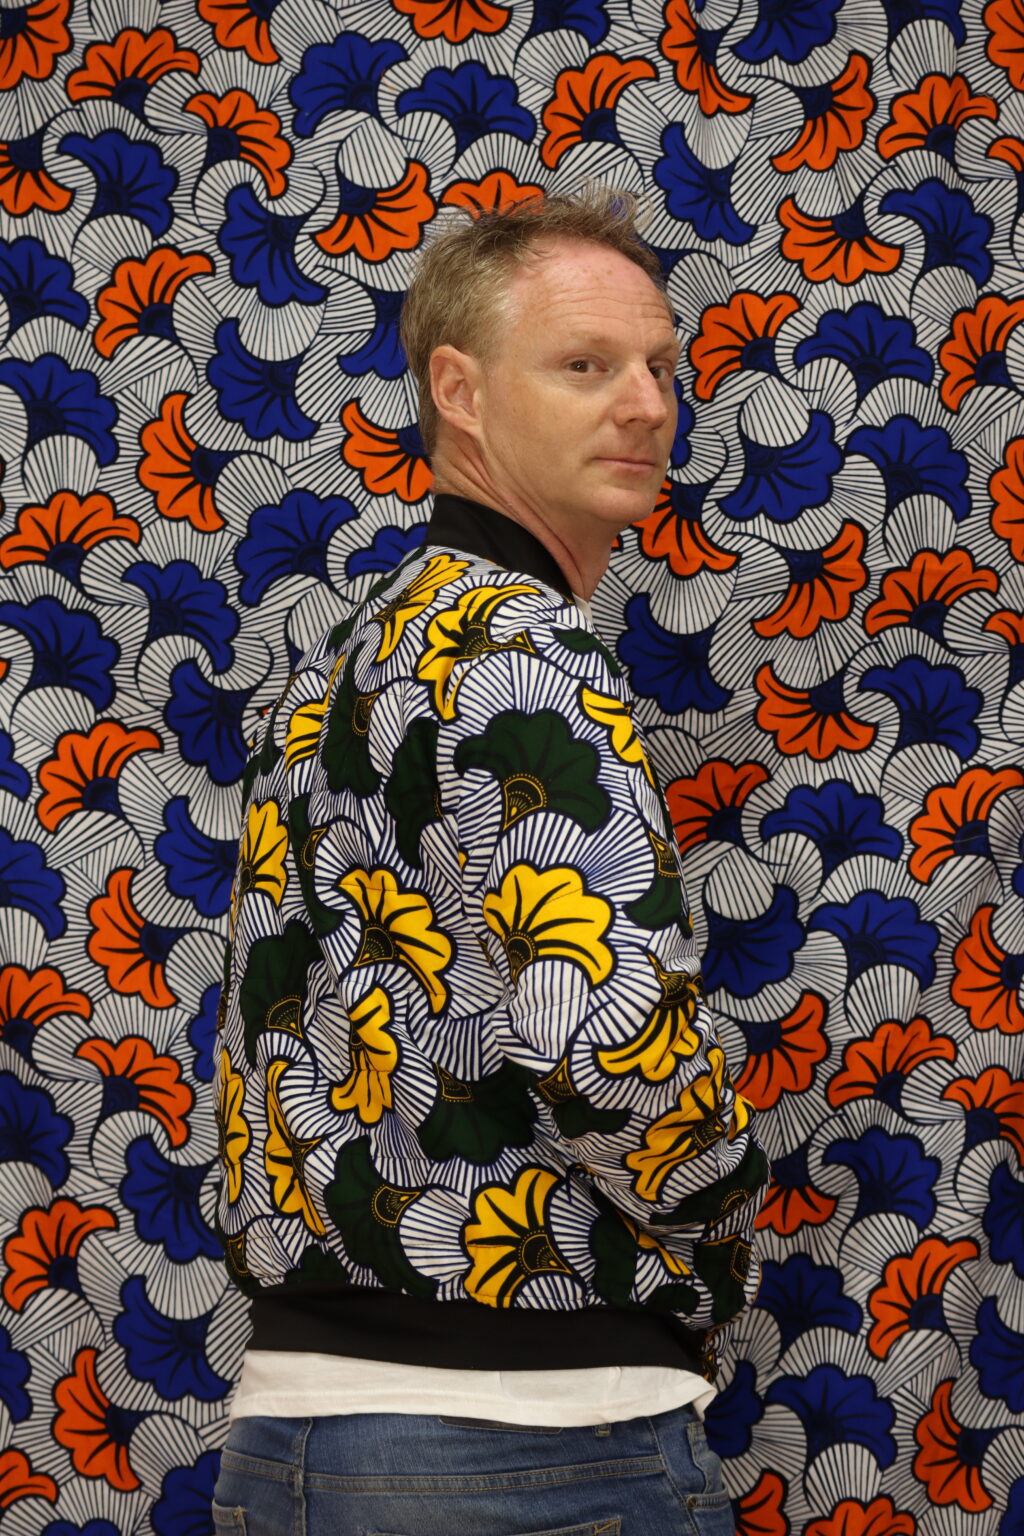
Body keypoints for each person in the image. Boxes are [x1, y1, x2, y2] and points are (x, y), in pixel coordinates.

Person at [212, 186, 769, 1535]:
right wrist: (726, 1206)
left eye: (661, 368)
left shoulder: (354, 648)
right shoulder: (524, 650)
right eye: (585, 365)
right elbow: (612, 1058)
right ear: (456, 391)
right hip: (525, 1451)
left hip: (299, 1437)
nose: (645, 406)